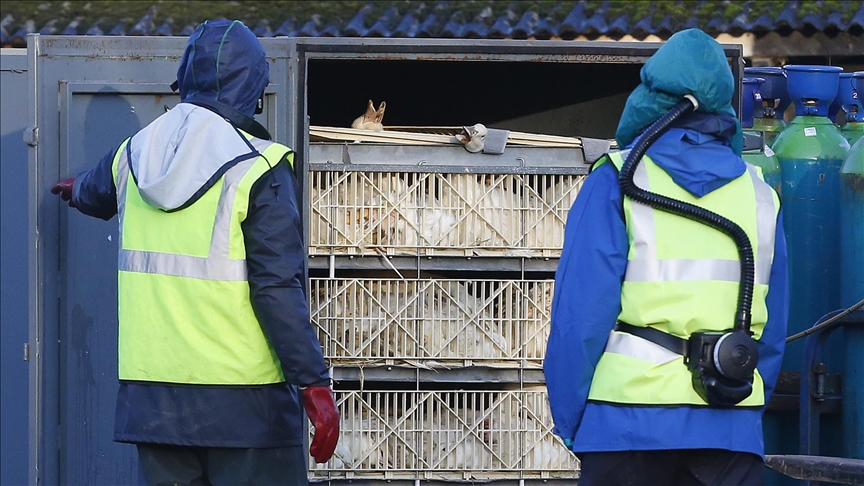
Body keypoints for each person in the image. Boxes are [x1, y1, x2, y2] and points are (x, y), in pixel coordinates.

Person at [50, 20, 338, 485]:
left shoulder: (132, 154)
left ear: (183, 81)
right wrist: (313, 383)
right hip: (247, 407)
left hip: (154, 407)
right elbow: (277, 288)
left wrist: (75, 185)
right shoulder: (258, 167)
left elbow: (94, 189)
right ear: (254, 88)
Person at [544, 29, 788, 486]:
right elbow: (772, 335)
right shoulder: (760, 195)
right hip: (729, 435)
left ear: (656, 98)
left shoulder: (617, 181)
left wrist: (577, 425)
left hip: (625, 432)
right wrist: (741, 414)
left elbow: (579, 319)